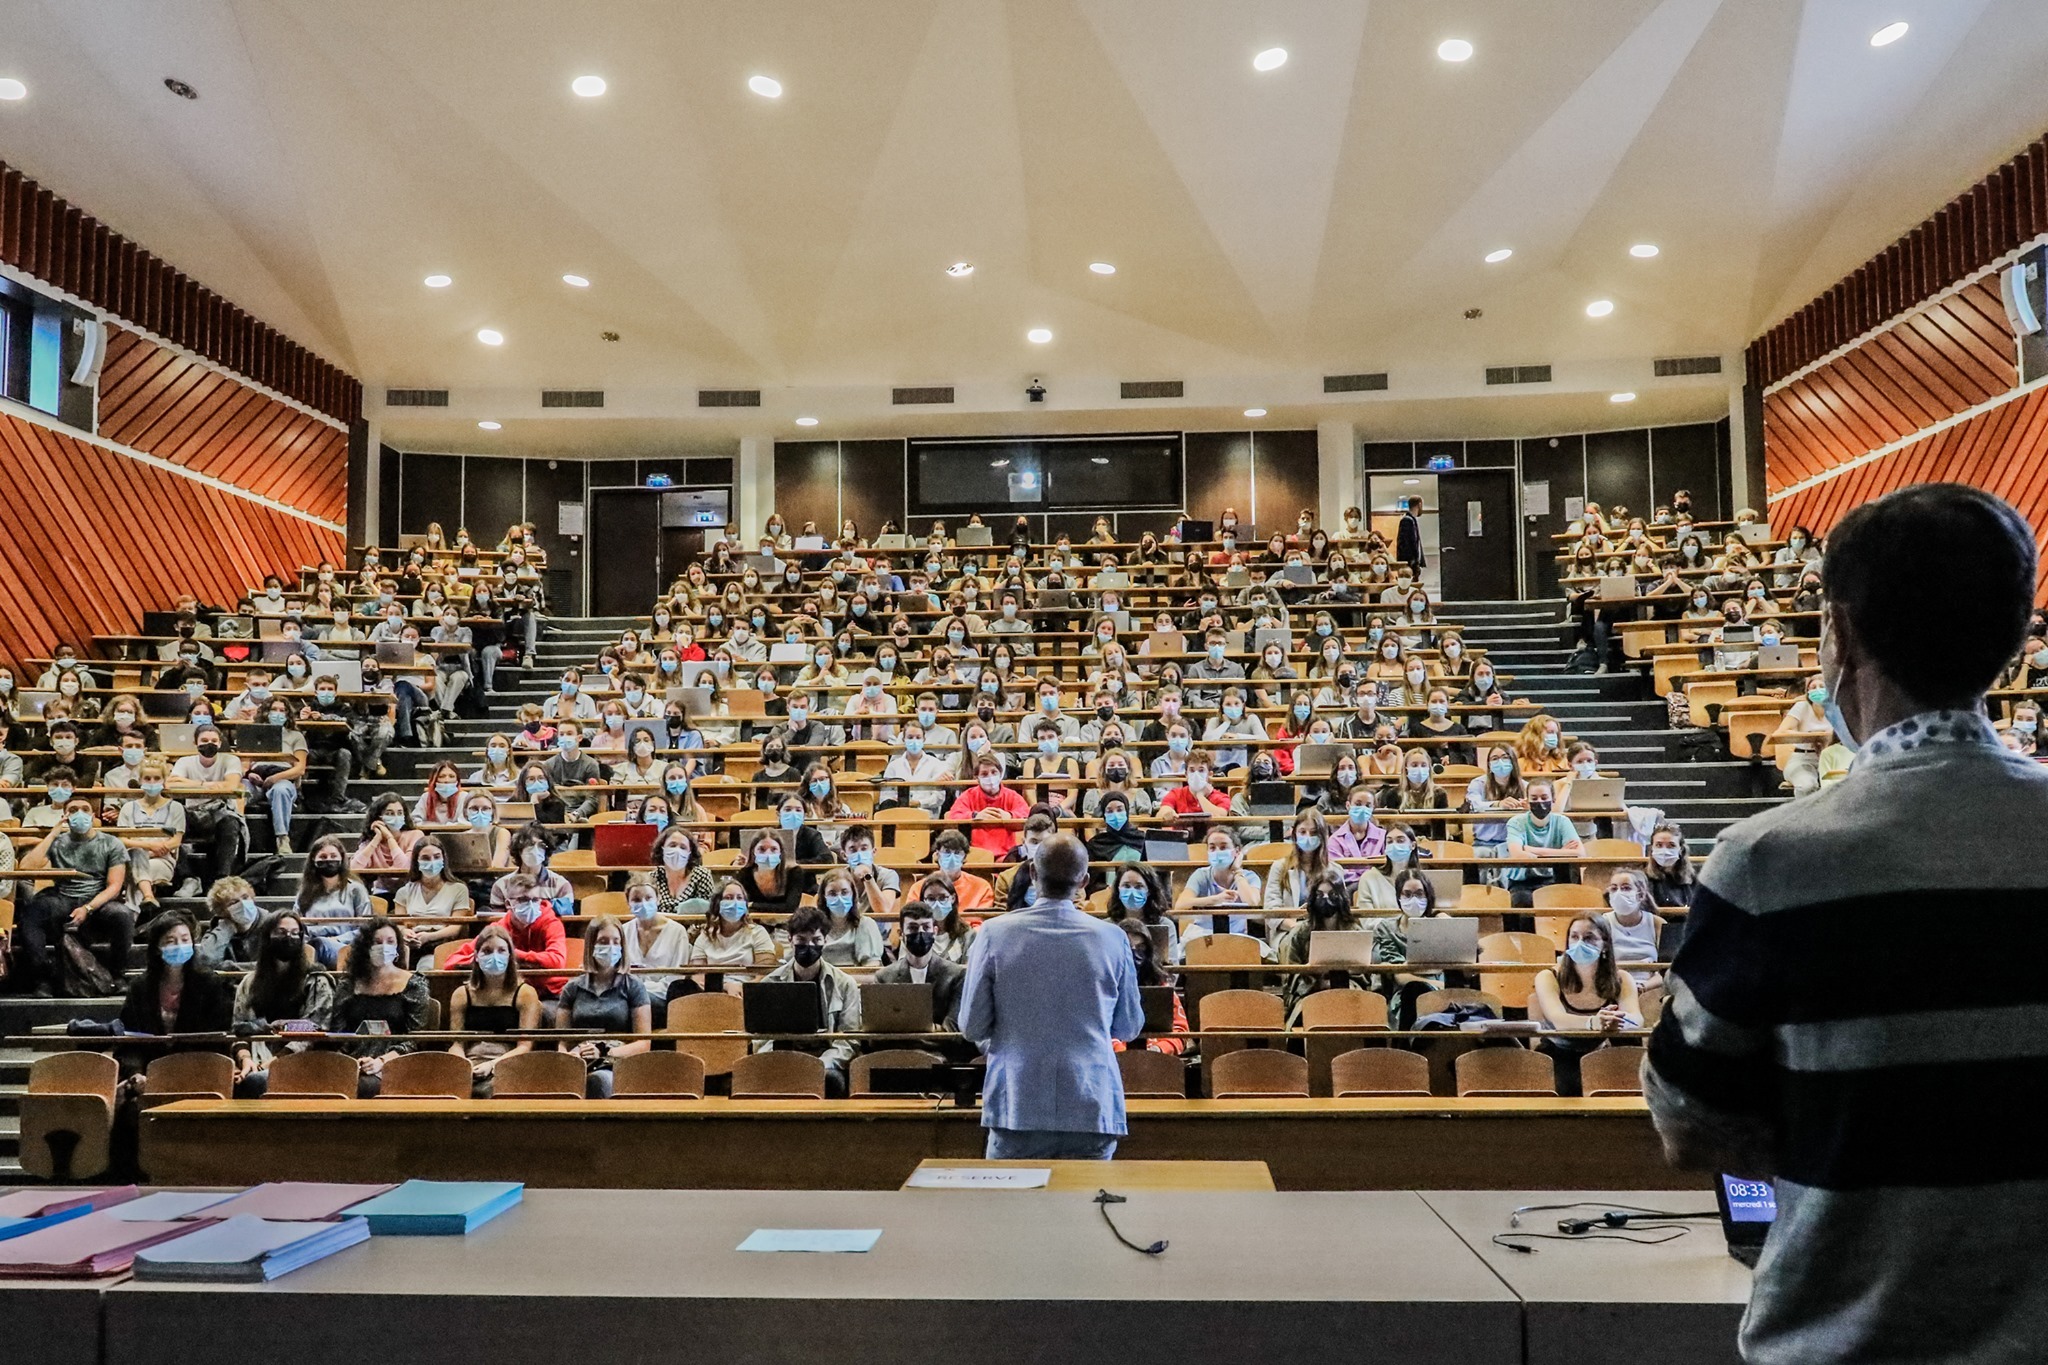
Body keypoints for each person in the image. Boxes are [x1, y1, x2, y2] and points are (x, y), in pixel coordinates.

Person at [1647, 483, 2048, 1365]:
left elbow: (1689, 1123)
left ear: (1841, 631)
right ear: (2016, 637)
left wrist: (1844, 1131)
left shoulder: (1767, 862)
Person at [960, 833, 1143, 1158]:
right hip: (1090, 1102)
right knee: (1088, 1193)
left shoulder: (993, 933)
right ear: (1084, 881)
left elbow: (972, 1026)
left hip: (1018, 1103)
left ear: (1032, 872)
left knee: (1013, 1194)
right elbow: (1128, 1027)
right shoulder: (1113, 938)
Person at [11, 798, 134, 996]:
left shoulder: (111, 843)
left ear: (92, 816)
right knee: (32, 913)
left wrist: (88, 908)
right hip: (62, 897)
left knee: (123, 914)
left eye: (85, 809)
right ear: (65, 816)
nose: (80, 813)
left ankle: (118, 975)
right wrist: (53, 833)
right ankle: (42, 978)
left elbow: (114, 886)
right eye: (73, 810)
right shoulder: (58, 841)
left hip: (97, 899)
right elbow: (26, 867)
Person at [115, 912, 234, 1095]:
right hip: (149, 1074)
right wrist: (136, 1073)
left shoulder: (210, 983)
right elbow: (130, 1039)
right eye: (171, 941)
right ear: (157, 947)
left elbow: (217, 1039)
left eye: (185, 940)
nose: (179, 946)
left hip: (199, 1072)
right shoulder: (140, 987)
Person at [753, 904, 863, 1096]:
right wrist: (782, 1061)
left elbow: (849, 1039)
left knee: (832, 1081)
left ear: (825, 941)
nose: (809, 946)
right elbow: (761, 1039)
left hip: (826, 1062)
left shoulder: (845, 984)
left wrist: (820, 1064)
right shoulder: (770, 982)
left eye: (816, 940)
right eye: (801, 940)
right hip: (781, 1061)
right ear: (790, 940)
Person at [1531, 915, 1642, 1094]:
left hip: (1603, 1053)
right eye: (1574, 937)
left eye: (1589, 938)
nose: (1580, 943)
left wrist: (1617, 1020)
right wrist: (1594, 1022)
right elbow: (1559, 1020)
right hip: (1559, 1053)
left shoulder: (1622, 978)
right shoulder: (1547, 977)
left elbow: (1636, 1019)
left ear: (1605, 944)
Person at [230, 912, 334, 1096]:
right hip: (255, 1058)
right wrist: (245, 1060)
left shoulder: (316, 980)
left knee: (255, 1082)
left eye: (295, 933)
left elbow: (313, 1030)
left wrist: (271, 1063)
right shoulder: (249, 982)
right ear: (267, 937)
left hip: (300, 1061)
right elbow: (239, 1028)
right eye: (281, 932)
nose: (289, 938)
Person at [327, 917, 432, 1097]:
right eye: (377, 942)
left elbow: (415, 1039)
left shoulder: (414, 985)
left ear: (397, 947)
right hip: (351, 1062)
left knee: (362, 1087)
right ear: (365, 946)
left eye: (390, 942)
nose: (384, 947)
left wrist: (381, 1061)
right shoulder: (348, 985)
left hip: (395, 1063)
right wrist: (351, 1062)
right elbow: (338, 1033)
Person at [555, 916, 654, 1097]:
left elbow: (644, 1043)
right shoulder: (572, 988)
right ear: (591, 945)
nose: (610, 947)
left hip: (616, 1061)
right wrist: (569, 1057)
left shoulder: (634, 986)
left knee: (598, 1081)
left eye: (616, 942)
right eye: (603, 941)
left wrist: (604, 1052)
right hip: (578, 1060)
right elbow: (563, 1042)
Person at [448, 922, 542, 1096]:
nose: (494, 956)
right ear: (476, 956)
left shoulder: (526, 993)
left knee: (489, 1091)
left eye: (501, 950)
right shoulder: (461, 994)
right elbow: (457, 1043)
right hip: (471, 1061)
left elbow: (525, 1046)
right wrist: (463, 1064)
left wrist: (493, 1065)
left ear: (510, 956)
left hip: (510, 1063)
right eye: (487, 951)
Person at [1501, 777, 1582, 905]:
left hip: (1553, 879)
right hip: (1523, 882)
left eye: (1544, 798)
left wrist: (1531, 850)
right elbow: (1517, 855)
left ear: (1553, 800)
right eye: (1534, 798)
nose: (1539, 802)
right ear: (1527, 801)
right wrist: (1561, 852)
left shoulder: (1562, 821)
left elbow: (1580, 853)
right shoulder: (1516, 822)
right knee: (1521, 902)